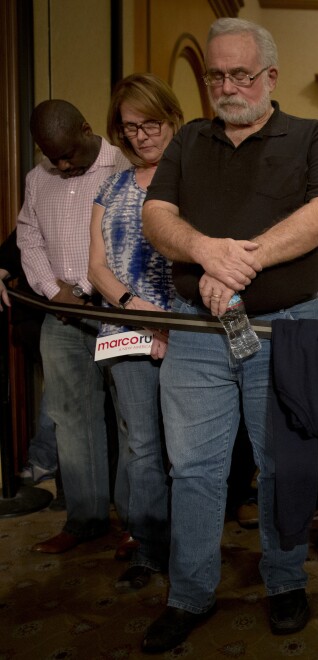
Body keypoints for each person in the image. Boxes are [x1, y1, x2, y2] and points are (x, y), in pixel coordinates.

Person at [139, 17, 318, 653]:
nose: (228, 87)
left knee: (283, 465)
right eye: (216, 75)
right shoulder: (186, 141)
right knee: (195, 469)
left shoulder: (311, 135)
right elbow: (156, 215)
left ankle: (285, 582)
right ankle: (189, 594)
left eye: (241, 74)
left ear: (271, 77)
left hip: (285, 329)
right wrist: (207, 252)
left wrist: (241, 262)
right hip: (198, 332)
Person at [17, 99, 129, 554]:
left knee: (130, 419)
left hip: (115, 310)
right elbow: (28, 236)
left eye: (68, 153)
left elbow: (125, 235)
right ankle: (85, 518)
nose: (61, 164)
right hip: (59, 316)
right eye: (51, 155)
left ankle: (137, 524)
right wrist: (50, 290)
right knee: (70, 418)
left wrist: (82, 288)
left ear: (86, 129)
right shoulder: (37, 177)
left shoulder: (121, 165)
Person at [87, 73, 182, 591]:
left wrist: (168, 321)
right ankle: (148, 548)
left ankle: (190, 545)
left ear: (171, 119)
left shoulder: (192, 180)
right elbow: (97, 266)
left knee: (189, 452)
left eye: (150, 124)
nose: (141, 136)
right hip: (126, 329)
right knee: (142, 447)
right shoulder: (111, 187)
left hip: (189, 331)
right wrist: (138, 308)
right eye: (129, 129)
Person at [0, 229, 58, 489]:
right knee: (62, 389)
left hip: (67, 315)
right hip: (39, 316)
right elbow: (5, 259)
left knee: (64, 390)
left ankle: (43, 461)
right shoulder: (37, 216)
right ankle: (42, 460)